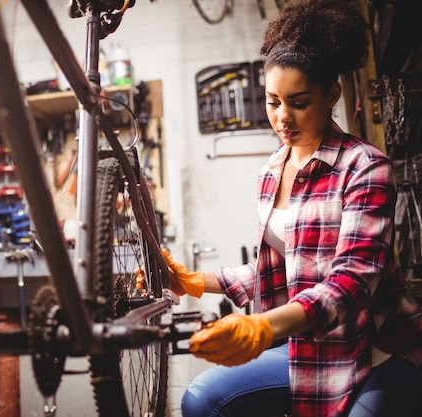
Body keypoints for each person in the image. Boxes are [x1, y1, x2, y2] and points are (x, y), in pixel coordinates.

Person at [163, 1, 422, 416]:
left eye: (299, 102)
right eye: (272, 102)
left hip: (376, 349)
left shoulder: (365, 166)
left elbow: (352, 279)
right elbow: (285, 266)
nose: (282, 117)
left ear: (332, 95)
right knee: (202, 398)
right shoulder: (272, 170)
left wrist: (264, 326)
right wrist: (195, 282)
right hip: (312, 346)